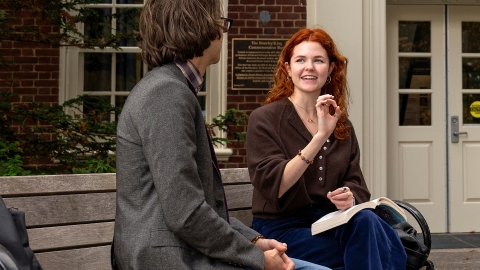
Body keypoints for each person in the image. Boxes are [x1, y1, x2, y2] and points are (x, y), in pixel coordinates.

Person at [113, 0, 330, 269]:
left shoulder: (173, 88)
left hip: (184, 250)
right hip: (168, 259)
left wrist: (253, 241)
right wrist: (258, 259)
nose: (223, 31)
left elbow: (198, 206)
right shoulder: (166, 93)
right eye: (220, 21)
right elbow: (185, 213)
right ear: (198, 24)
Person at [246, 28, 407, 270]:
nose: (309, 67)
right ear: (288, 69)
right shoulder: (265, 119)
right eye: (300, 60)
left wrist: (349, 196)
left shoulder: (341, 124)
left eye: (318, 60)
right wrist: (320, 136)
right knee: (381, 246)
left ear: (331, 68)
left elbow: (357, 183)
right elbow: (273, 186)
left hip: (330, 224)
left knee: (367, 223)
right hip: (281, 231)